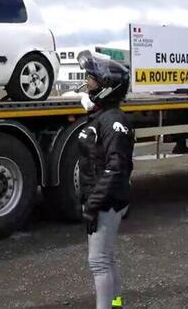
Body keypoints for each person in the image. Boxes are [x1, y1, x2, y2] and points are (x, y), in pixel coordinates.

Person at [76, 51, 134, 309]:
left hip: (107, 201)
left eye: (92, 81)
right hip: (102, 198)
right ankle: (117, 303)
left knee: (98, 261)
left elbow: (115, 167)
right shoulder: (101, 116)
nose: (87, 85)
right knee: (107, 258)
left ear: (107, 88)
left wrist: (93, 205)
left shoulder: (113, 121)